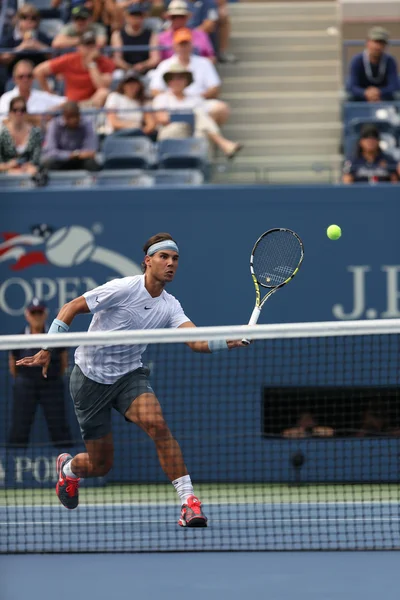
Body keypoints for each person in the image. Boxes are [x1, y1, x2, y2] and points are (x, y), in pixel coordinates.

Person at [16, 233, 247, 526]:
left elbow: (196, 341)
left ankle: (189, 502)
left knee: (158, 424)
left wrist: (231, 340)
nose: (171, 263)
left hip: (128, 376)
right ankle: (70, 469)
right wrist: (48, 348)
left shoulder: (170, 305)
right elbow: (71, 307)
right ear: (147, 262)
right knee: (100, 465)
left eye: (175, 259)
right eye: (164, 257)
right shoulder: (123, 289)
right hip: (89, 379)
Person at [8, 298, 73, 449]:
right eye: (33, 312)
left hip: (52, 386)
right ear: (27, 315)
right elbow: (12, 366)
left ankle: (65, 461)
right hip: (25, 387)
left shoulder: (57, 339)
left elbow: (64, 363)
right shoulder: (17, 339)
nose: (36, 315)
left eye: (40, 312)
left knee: (59, 425)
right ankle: (14, 463)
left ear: (45, 314)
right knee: (19, 426)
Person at [153, 64, 241, 157]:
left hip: (193, 132)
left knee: (202, 132)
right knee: (197, 114)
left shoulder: (195, 99)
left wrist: (187, 117)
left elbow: (207, 118)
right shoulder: (161, 98)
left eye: (180, 78)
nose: (177, 82)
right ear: (169, 82)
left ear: (186, 81)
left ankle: (204, 164)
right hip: (171, 131)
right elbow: (162, 119)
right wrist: (190, 117)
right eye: (173, 79)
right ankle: (223, 143)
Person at [150, 28, 229, 125]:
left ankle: (204, 136)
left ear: (191, 45)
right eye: (180, 44)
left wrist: (195, 98)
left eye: (186, 44)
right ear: (174, 46)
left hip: (197, 102)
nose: (183, 47)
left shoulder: (204, 63)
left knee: (220, 108)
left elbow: (214, 88)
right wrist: (175, 97)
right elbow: (155, 90)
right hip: (171, 103)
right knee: (160, 110)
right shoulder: (164, 65)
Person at [34, 31, 115, 107]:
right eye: (86, 45)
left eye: (92, 45)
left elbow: (101, 86)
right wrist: (50, 93)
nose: (89, 48)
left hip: (91, 106)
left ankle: (76, 108)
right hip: (71, 104)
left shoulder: (106, 62)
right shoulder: (70, 59)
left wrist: (91, 63)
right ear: (79, 47)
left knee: (103, 93)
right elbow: (38, 71)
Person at [0, 60, 66, 124]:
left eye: (29, 76)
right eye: (21, 76)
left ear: (33, 78)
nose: (25, 79)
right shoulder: (6, 98)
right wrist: (38, 118)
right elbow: (4, 121)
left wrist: (52, 110)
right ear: (14, 79)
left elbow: (67, 101)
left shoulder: (42, 97)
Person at [42, 101, 101, 171]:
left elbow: (91, 150)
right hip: (62, 160)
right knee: (48, 163)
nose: (74, 120)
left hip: (81, 160)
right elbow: (51, 152)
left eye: (76, 116)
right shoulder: (54, 124)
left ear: (79, 115)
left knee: (92, 163)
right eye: (70, 117)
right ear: (64, 117)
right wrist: (74, 154)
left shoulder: (87, 123)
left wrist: (80, 155)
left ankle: (95, 182)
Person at [346, 26, 400, 102]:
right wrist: (365, 93)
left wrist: (379, 92)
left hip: (384, 100)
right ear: (368, 42)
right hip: (361, 101)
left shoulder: (389, 61)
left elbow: (394, 85)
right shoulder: (357, 60)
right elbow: (351, 86)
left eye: (381, 43)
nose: (378, 46)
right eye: (375, 42)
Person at [0, 4, 52, 79]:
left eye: (33, 18)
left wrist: (38, 46)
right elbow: (3, 60)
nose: (29, 21)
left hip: (39, 79)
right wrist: (21, 48)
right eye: (24, 17)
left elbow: (54, 58)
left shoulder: (43, 37)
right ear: (18, 19)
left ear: (37, 21)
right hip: (15, 79)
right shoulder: (9, 38)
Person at [111, 4, 160, 75]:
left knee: (154, 74)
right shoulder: (117, 35)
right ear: (127, 17)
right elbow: (117, 59)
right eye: (133, 15)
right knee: (117, 75)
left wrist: (143, 65)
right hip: (125, 71)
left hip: (146, 71)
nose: (136, 18)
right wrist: (129, 68)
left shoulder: (151, 35)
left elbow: (155, 58)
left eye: (139, 15)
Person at [0, 96, 42, 175]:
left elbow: (36, 160)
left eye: (22, 110)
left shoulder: (36, 132)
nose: (19, 113)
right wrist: (9, 166)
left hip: (30, 174)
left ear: (26, 113)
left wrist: (27, 168)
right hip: (5, 177)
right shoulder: (1, 133)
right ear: (10, 112)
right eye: (15, 110)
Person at [104, 71, 156, 135]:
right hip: (116, 134)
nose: (131, 86)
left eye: (134, 83)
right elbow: (113, 122)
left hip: (137, 135)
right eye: (128, 83)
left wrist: (140, 133)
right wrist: (134, 126)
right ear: (123, 85)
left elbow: (151, 124)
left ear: (139, 85)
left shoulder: (144, 102)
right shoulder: (114, 96)